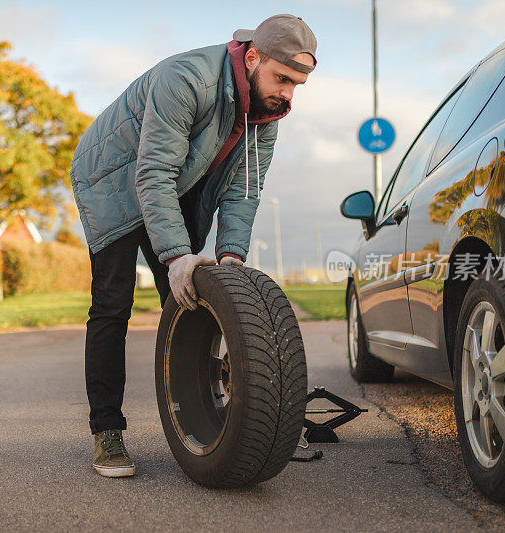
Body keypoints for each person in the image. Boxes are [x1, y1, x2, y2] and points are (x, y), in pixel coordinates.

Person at [70, 14, 317, 477]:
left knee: (191, 301)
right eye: (282, 78)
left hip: (168, 182)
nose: (287, 93)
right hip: (112, 180)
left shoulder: (267, 111)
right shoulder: (186, 79)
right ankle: (107, 432)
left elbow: (245, 187)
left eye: (297, 84)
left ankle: (219, 417)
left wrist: (230, 258)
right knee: (112, 303)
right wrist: (178, 255)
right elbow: (152, 173)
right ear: (254, 56)